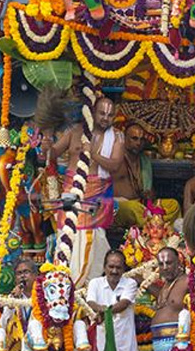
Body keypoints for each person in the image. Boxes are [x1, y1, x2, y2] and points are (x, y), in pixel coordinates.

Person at [68, 97, 123, 283]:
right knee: (71, 239)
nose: (106, 118)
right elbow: (54, 150)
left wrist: (93, 154)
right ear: (93, 112)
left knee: (91, 240)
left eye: (110, 115)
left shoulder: (117, 137)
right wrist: (44, 146)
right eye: (102, 113)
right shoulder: (76, 131)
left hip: (98, 196)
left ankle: (82, 284)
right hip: (72, 194)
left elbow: (115, 165)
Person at [112, 124, 180, 229]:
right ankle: (152, 229)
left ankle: (162, 229)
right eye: (134, 138)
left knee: (173, 205)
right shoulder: (115, 158)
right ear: (125, 138)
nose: (138, 143)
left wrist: (149, 194)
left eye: (141, 139)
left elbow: (151, 193)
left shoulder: (144, 161)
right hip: (122, 206)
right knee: (133, 208)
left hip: (142, 204)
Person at [78, 252, 137, 351]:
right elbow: (91, 302)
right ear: (104, 267)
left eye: (118, 267)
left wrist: (104, 312)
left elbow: (124, 304)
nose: (114, 271)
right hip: (102, 344)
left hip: (126, 345)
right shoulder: (95, 283)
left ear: (123, 269)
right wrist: (102, 309)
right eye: (111, 266)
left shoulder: (130, 283)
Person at [150, 248, 186, 351]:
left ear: (178, 262)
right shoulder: (166, 285)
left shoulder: (187, 281)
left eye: (169, 263)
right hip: (157, 342)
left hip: (178, 342)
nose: (165, 267)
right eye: (161, 264)